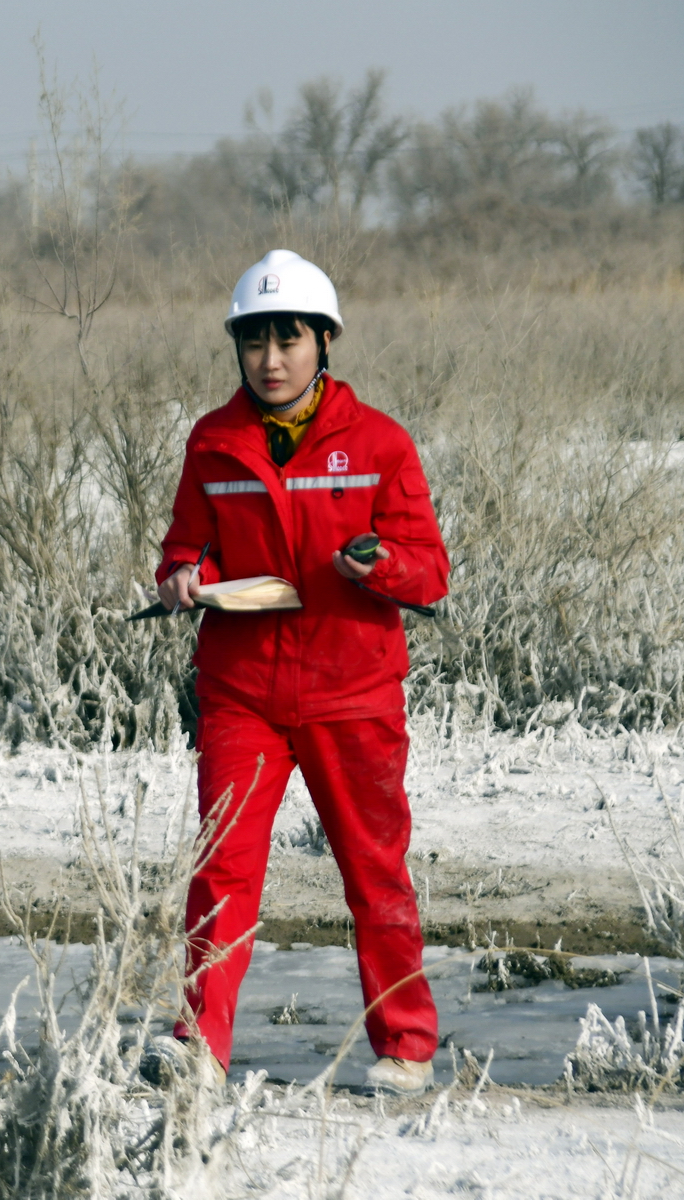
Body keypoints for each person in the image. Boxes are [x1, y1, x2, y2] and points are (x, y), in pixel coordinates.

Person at [153, 249, 448, 1096]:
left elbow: (430, 570)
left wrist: (378, 563)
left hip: (351, 694)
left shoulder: (381, 443)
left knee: (375, 871)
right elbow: (186, 543)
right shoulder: (213, 441)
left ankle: (404, 1047)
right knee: (222, 871)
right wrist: (181, 575)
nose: (271, 360)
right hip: (242, 694)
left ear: (325, 342)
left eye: (289, 340)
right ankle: (198, 1049)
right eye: (255, 343)